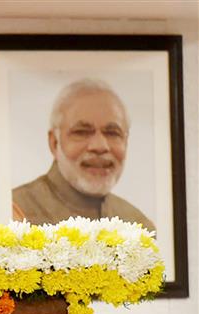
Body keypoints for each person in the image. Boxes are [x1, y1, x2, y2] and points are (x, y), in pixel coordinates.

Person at [12, 79, 155, 231]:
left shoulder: (138, 225)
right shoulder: (15, 213)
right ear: (54, 143)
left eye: (112, 133)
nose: (100, 146)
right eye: (82, 132)